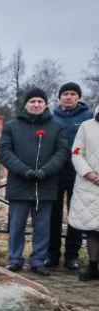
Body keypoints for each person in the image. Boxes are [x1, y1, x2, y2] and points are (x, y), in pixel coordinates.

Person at [0, 88, 69, 276]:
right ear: (26, 104)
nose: (36, 104)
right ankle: (14, 259)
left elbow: (62, 153)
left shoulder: (56, 127)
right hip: (20, 183)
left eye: (40, 101)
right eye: (32, 101)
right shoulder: (12, 126)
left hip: (45, 184)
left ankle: (38, 260)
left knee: (42, 227)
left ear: (45, 104)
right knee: (16, 225)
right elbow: (4, 151)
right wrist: (24, 171)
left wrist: (46, 171)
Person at [47, 82, 94, 270]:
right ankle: (52, 254)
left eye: (72, 94)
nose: (68, 97)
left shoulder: (88, 116)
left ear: (78, 97)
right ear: (59, 97)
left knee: (75, 215)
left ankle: (71, 256)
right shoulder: (52, 116)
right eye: (65, 94)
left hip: (79, 173)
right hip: (56, 172)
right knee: (53, 214)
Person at [69, 106, 99, 281]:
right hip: (90, 185)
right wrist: (90, 174)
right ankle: (93, 266)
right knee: (93, 228)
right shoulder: (86, 126)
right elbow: (76, 152)